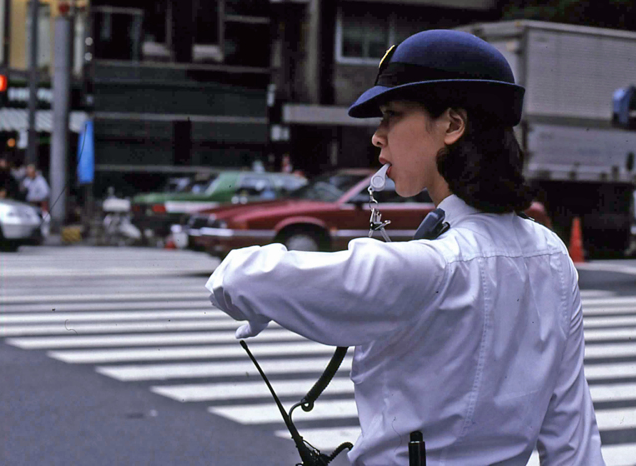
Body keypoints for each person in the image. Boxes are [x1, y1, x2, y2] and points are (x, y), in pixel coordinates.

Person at [207, 30, 605, 464]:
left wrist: (246, 298)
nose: (378, 136)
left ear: (453, 125)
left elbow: (241, 275)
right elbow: (571, 435)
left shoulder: (434, 266)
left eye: (392, 115)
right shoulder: (551, 255)